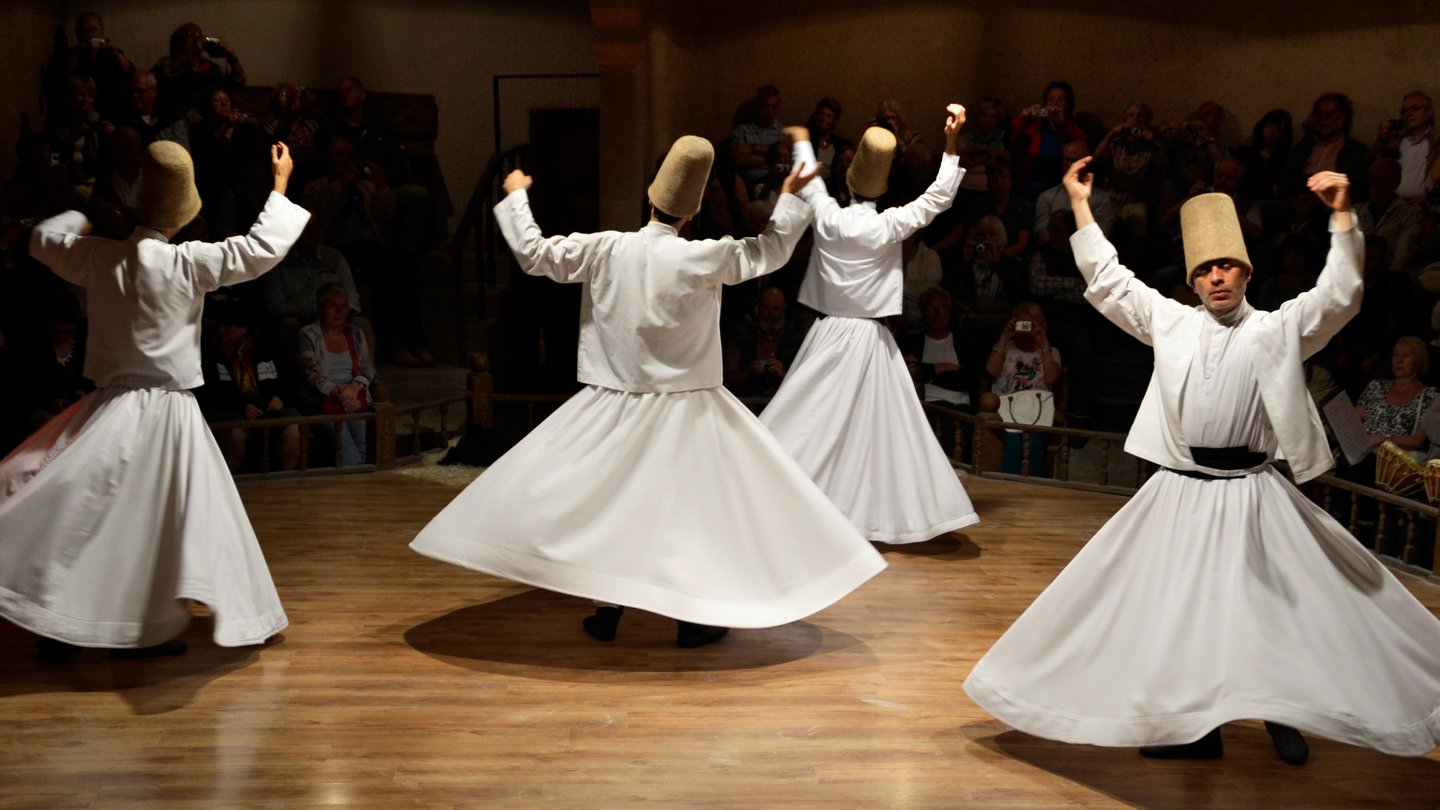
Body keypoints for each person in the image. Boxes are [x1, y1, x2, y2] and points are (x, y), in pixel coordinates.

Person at [965, 155, 1440, 763]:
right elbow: (1109, 281)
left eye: (1227, 266)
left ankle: (1279, 711)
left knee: (1267, 604)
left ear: (1247, 272)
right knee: (1179, 608)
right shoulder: (1172, 323)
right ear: (1192, 281)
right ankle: (1196, 727)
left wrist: (1343, 217)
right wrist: (1080, 204)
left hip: (1249, 487)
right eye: (1205, 270)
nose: (1217, 278)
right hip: (1182, 489)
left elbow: (1340, 296)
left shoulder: (1279, 328)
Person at [409, 136, 885, 648]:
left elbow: (535, 254)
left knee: (613, 505)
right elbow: (769, 251)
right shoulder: (702, 256)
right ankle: (688, 618)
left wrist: (517, 197)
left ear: (650, 199)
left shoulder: (607, 248)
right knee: (687, 512)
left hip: (614, 405)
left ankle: (610, 609)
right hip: (686, 409)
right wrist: (789, 197)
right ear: (691, 215)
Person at [0, 141, 306, 657]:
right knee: (152, 523)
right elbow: (258, 250)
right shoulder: (189, 262)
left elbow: (45, 239)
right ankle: (121, 626)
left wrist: (81, 215)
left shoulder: (99, 256)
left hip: (109, 408)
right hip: (166, 412)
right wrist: (279, 187)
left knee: (84, 512)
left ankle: (80, 625)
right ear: (183, 212)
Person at [762, 105, 979, 544]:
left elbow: (811, 181)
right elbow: (939, 198)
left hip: (829, 333)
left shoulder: (830, 216)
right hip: (870, 338)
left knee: (815, 421)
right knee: (878, 432)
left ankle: (801, 501)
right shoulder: (889, 224)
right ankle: (864, 510)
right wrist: (951, 141)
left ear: (849, 180)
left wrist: (802, 139)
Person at [296, 283, 374, 467]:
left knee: (363, 448)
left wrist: (353, 389)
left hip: (354, 398)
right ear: (320, 308)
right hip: (323, 400)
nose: (339, 312)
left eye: (343, 307)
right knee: (351, 455)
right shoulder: (308, 334)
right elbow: (310, 374)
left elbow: (367, 369)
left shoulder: (355, 333)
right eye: (332, 306)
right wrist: (340, 394)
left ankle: (359, 482)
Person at [985, 300, 1061, 475]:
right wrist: (1005, 336)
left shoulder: (1051, 352)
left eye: (1031, 324)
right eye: (1022, 324)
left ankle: (1033, 487)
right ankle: (1009, 486)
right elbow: (991, 370)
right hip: (1006, 412)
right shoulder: (1005, 349)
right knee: (1012, 441)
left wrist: (1043, 343)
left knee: (1034, 443)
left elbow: (1052, 377)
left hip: (1037, 413)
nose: (1026, 328)